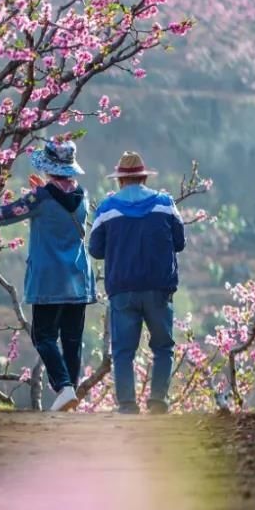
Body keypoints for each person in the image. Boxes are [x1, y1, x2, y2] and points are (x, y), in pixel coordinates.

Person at [0, 139, 96, 412]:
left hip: (50, 278)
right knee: (72, 339)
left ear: (48, 168)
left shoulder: (40, 197)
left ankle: (64, 387)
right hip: (78, 277)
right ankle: (71, 392)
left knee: (43, 335)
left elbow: (9, 212)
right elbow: (61, 207)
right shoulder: (83, 195)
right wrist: (42, 193)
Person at [88, 151, 185, 414]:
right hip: (158, 288)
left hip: (123, 289)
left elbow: (95, 250)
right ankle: (157, 401)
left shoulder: (107, 209)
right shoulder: (165, 204)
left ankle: (127, 405)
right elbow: (180, 243)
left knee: (123, 351)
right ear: (143, 177)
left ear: (120, 180)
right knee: (163, 347)